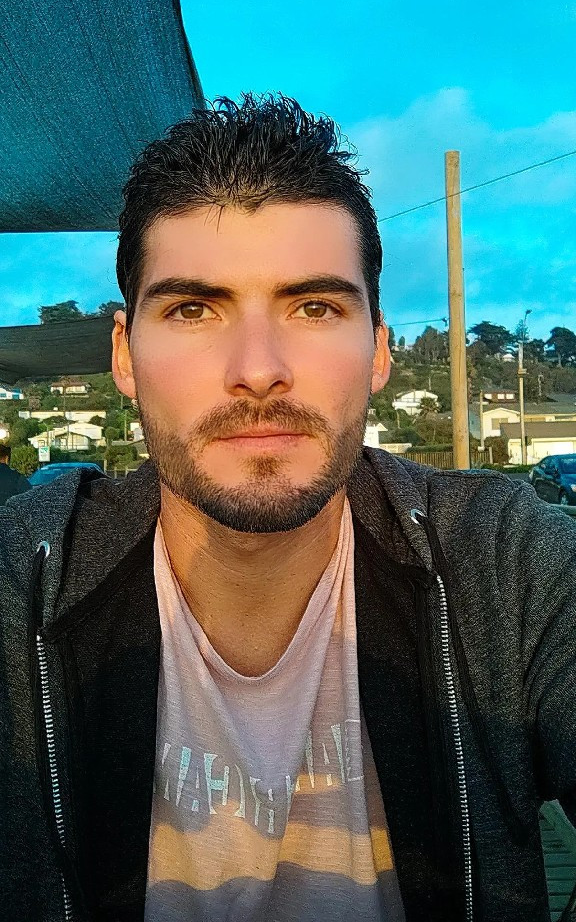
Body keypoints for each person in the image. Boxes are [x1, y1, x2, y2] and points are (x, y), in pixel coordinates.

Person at [0, 95, 574, 922]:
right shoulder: (22, 584)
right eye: (193, 309)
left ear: (379, 349)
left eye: (315, 307)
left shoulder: (503, 564)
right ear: (124, 355)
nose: (259, 368)